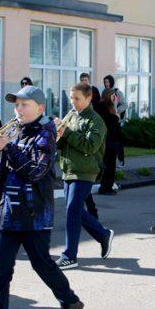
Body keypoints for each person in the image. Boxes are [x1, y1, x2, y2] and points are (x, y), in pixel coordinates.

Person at [0, 86, 85, 309]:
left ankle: (70, 301)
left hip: (34, 214)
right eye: (16, 105)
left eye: (24, 105)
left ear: (40, 108)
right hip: (6, 212)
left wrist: (7, 147)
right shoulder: (11, 131)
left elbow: (34, 171)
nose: (18, 109)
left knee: (42, 264)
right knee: (0, 270)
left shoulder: (47, 133)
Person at [56, 83, 114, 269]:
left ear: (88, 98)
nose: (73, 102)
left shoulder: (96, 121)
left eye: (77, 98)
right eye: (71, 98)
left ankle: (69, 255)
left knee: (73, 210)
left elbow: (90, 146)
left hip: (85, 171)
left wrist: (67, 132)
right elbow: (62, 142)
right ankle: (103, 234)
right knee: (74, 210)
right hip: (68, 169)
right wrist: (57, 135)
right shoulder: (71, 115)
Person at [93, 80, 124, 196]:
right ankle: (105, 187)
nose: (114, 98)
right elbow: (111, 121)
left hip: (113, 142)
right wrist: (116, 117)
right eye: (113, 96)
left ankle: (108, 186)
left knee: (111, 165)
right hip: (108, 142)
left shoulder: (110, 107)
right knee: (108, 165)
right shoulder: (102, 108)